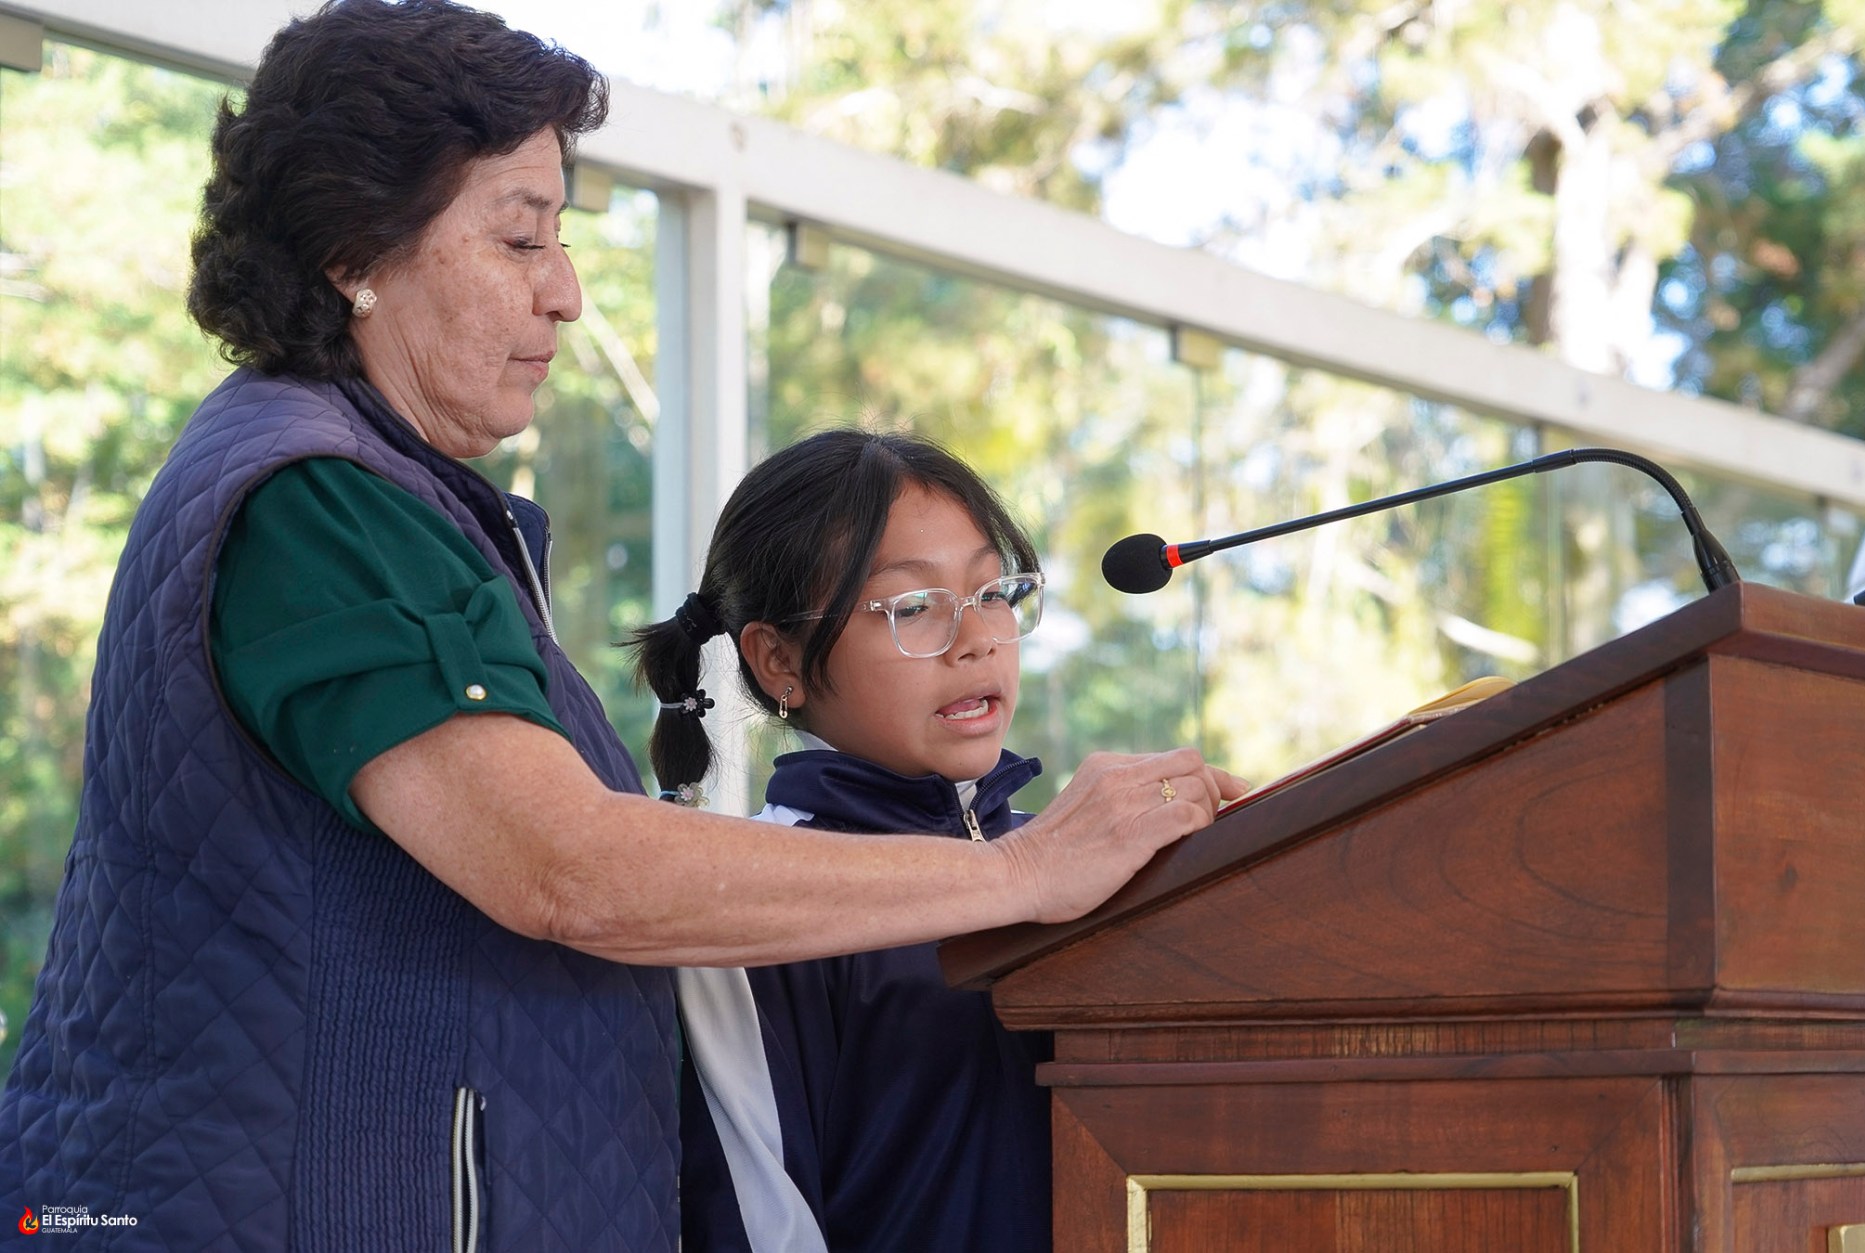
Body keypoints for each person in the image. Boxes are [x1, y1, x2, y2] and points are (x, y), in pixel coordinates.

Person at [0, 2, 1239, 1249]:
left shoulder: (388, 496)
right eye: (521, 238)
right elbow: (568, 866)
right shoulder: (319, 503)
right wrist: (1020, 873)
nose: (568, 293)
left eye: (562, 238)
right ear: (350, 253)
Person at [633, 430, 1064, 1252]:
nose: (975, 638)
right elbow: (760, 1226)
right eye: (912, 607)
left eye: (993, 590)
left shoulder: (1067, 864)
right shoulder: (747, 917)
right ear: (779, 659)